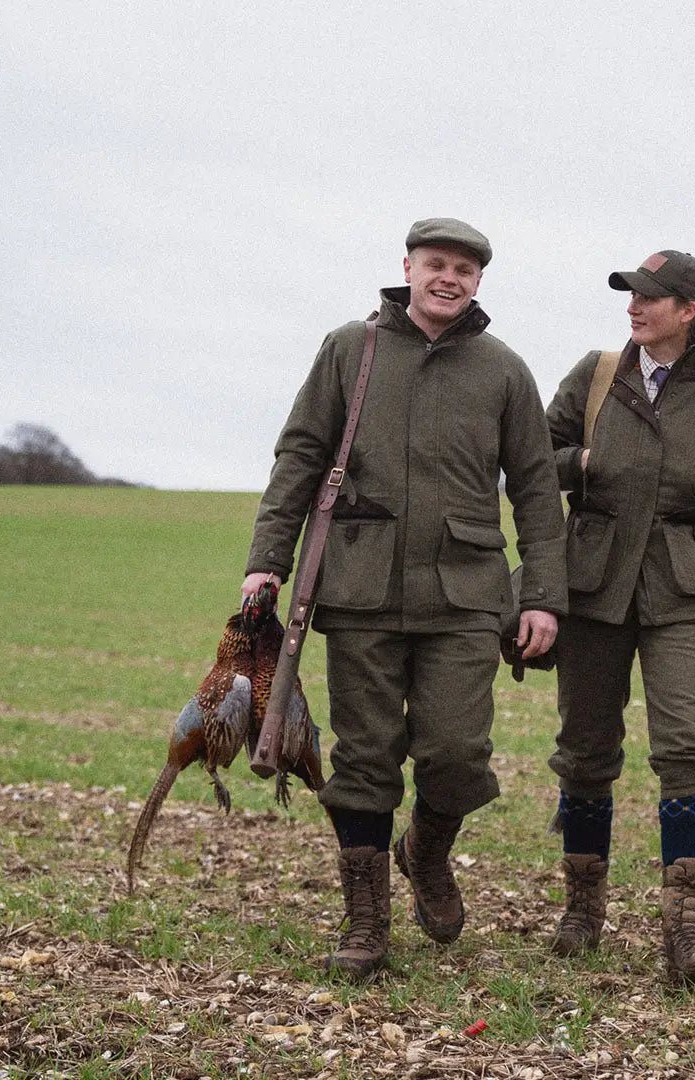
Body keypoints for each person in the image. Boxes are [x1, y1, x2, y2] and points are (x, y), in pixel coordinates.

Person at [242, 218, 567, 980]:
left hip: (465, 596)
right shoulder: (348, 351)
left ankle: (425, 848)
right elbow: (299, 458)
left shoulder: (505, 371)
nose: (448, 278)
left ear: (479, 281)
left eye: (463, 268)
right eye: (435, 264)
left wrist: (543, 595)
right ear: (408, 268)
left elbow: (537, 492)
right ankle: (366, 924)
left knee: (457, 753)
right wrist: (267, 561)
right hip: (359, 587)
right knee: (364, 758)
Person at [544, 249, 695, 984]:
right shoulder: (596, 374)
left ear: (689, 311)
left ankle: (687, 926)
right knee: (584, 747)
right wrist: (579, 465)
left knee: (687, 745)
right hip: (595, 581)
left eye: (651, 297)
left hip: (686, 586)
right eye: (631, 296)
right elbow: (532, 458)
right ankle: (584, 907)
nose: (635, 307)